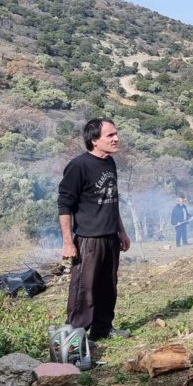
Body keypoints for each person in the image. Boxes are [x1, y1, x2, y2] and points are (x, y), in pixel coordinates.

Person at [58, 118, 132, 340]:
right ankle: (75, 336)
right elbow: (64, 205)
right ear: (94, 140)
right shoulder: (78, 166)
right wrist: (68, 241)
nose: (116, 138)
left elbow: (112, 199)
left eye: (115, 134)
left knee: (108, 287)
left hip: (110, 236)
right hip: (88, 239)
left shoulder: (109, 163)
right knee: (84, 289)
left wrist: (121, 231)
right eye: (110, 135)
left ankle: (103, 328)